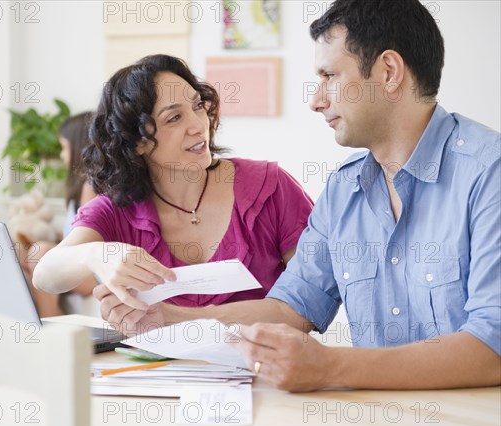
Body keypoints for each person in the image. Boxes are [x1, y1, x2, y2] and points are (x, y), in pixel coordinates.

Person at [95, 0, 501, 391]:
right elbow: (292, 307)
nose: (315, 101)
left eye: (330, 77)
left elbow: (492, 347)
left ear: (389, 71)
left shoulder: (488, 173)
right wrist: (169, 316)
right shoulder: (345, 190)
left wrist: (331, 366)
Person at [32, 54, 314, 315]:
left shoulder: (270, 188)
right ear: (138, 142)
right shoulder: (118, 209)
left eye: (197, 106)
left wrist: (182, 319)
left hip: (264, 367)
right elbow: (45, 274)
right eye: (175, 117)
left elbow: (309, 304)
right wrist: (95, 255)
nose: (198, 125)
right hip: (155, 368)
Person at [19, 112, 98, 317]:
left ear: (79, 146)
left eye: (64, 147)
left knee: (41, 252)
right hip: (80, 262)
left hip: (93, 269)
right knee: (20, 249)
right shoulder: (79, 186)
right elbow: (74, 234)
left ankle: (49, 318)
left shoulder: (90, 186)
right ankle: (33, 314)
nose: (62, 155)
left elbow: (86, 241)